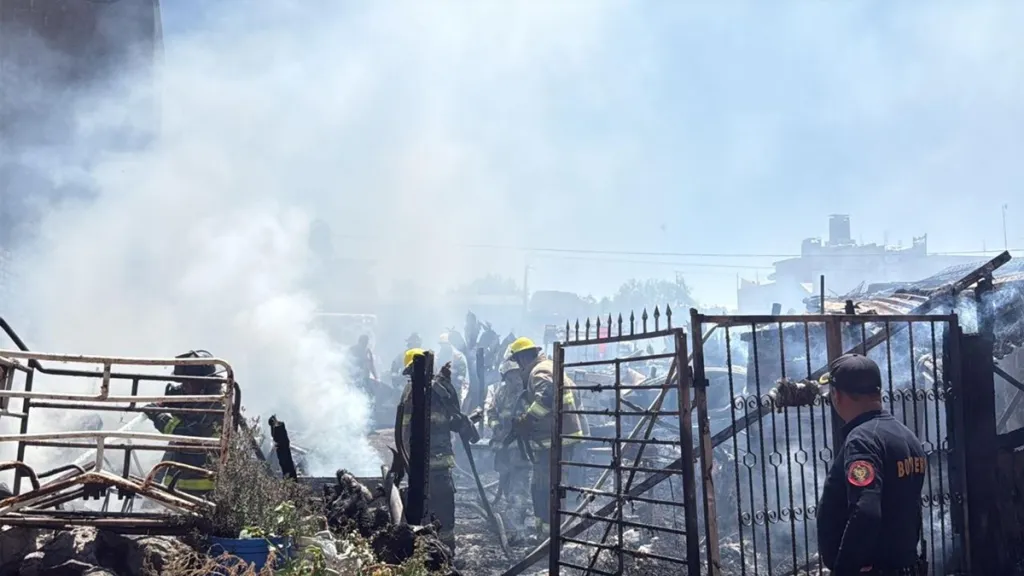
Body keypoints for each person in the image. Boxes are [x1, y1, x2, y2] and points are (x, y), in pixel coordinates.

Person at [816, 353, 927, 575]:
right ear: (878, 392)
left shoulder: (862, 441)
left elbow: (865, 511)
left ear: (837, 395)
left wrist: (844, 570)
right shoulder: (906, 436)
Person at [506, 336, 584, 540]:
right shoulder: (547, 367)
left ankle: (552, 539)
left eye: (517, 361)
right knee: (541, 487)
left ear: (523, 358)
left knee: (548, 488)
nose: (518, 367)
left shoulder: (539, 371)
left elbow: (548, 396)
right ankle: (545, 535)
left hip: (555, 439)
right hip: (553, 438)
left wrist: (528, 419)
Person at [397, 348, 466, 555]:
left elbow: (404, 429)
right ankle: (447, 554)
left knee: (423, 512)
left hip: (420, 465)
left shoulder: (411, 392)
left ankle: (428, 555)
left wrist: (405, 459)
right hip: (441, 464)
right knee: (443, 513)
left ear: (411, 369)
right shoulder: (442, 389)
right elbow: (455, 420)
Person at [147, 350, 223, 499]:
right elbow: (181, 394)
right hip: (178, 483)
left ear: (203, 382)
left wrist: (157, 415)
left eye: (189, 382)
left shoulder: (215, 405)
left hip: (204, 487)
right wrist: (166, 400)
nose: (185, 386)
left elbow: (186, 432)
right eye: (183, 381)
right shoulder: (196, 396)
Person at [486, 358, 533, 537]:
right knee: (506, 483)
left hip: (520, 449)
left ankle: (518, 528)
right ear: (505, 377)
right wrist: (496, 425)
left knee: (519, 486)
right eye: (510, 376)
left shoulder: (526, 393)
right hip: (503, 449)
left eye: (516, 375)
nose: (515, 379)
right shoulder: (501, 392)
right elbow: (491, 413)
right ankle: (511, 522)